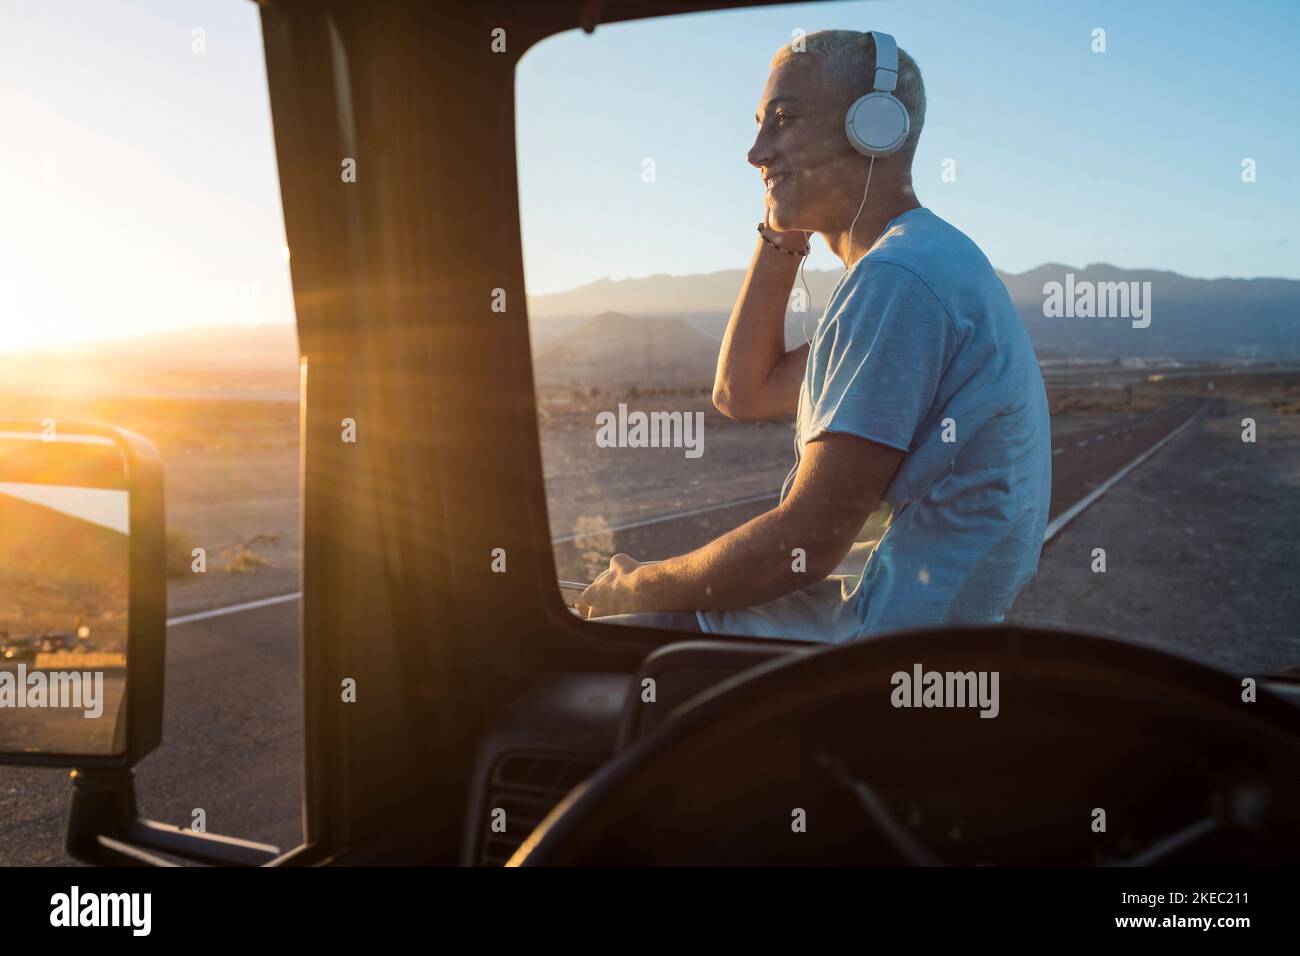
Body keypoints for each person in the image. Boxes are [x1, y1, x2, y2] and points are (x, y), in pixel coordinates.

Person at [577, 29, 1051, 641]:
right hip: (881, 630)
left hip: (854, 649)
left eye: (783, 120)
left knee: (607, 632)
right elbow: (743, 392)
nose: (755, 152)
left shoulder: (899, 279)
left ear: (874, 126)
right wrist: (783, 231)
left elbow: (804, 543)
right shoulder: (918, 264)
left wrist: (643, 583)